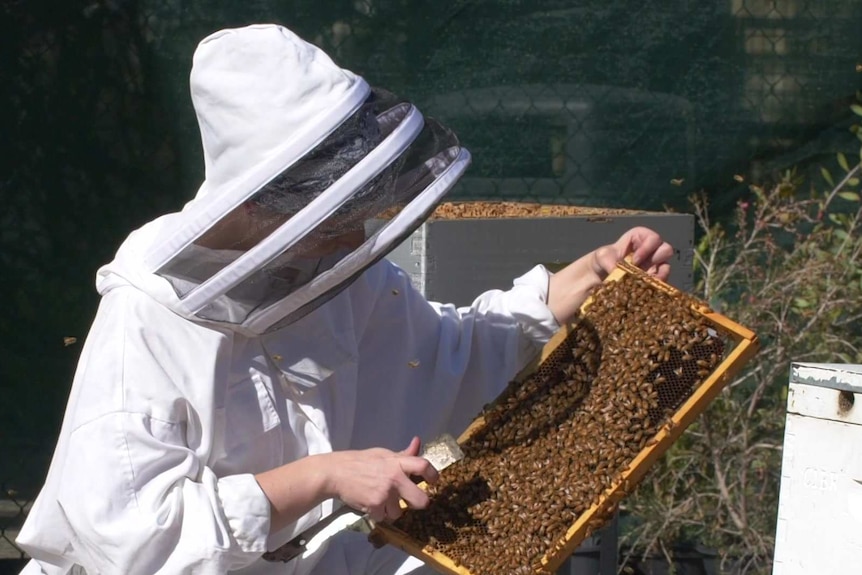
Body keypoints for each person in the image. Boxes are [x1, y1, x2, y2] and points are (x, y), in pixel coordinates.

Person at [16, 23, 674, 575]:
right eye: (331, 209)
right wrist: (322, 475)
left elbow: (448, 354)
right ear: (259, 204)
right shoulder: (150, 317)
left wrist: (583, 278)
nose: (354, 229)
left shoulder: (347, 279)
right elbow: (131, 540)